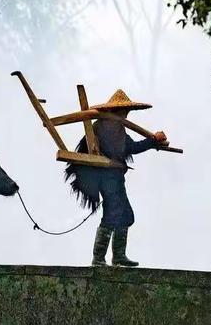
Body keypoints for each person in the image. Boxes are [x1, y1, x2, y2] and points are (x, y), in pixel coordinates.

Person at [64, 89, 168, 267]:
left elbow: (131, 147)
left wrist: (153, 143)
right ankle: (98, 259)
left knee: (125, 215)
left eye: (127, 111)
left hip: (115, 177)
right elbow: (125, 149)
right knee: (113, 214)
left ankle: (118, 256)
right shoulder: (103, 126)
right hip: (106, 178)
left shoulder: (117, 128)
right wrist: (152, 141)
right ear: (115, 111)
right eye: (123, 111)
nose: (125, 115)